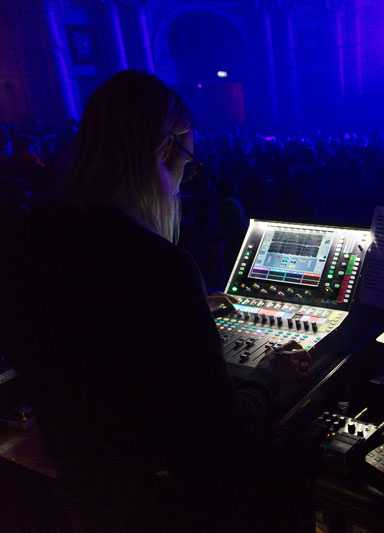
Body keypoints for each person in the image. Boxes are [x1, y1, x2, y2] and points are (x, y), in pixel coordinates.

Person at [12, 71, 311, 531]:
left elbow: (102, 339)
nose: (180, 185)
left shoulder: (33, 238)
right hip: (161, 508)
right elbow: (218, 440)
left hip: (84, 496)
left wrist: (186, 311)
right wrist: (269, 378)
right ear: (164, 150)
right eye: (186, 165)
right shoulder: (158, 266)